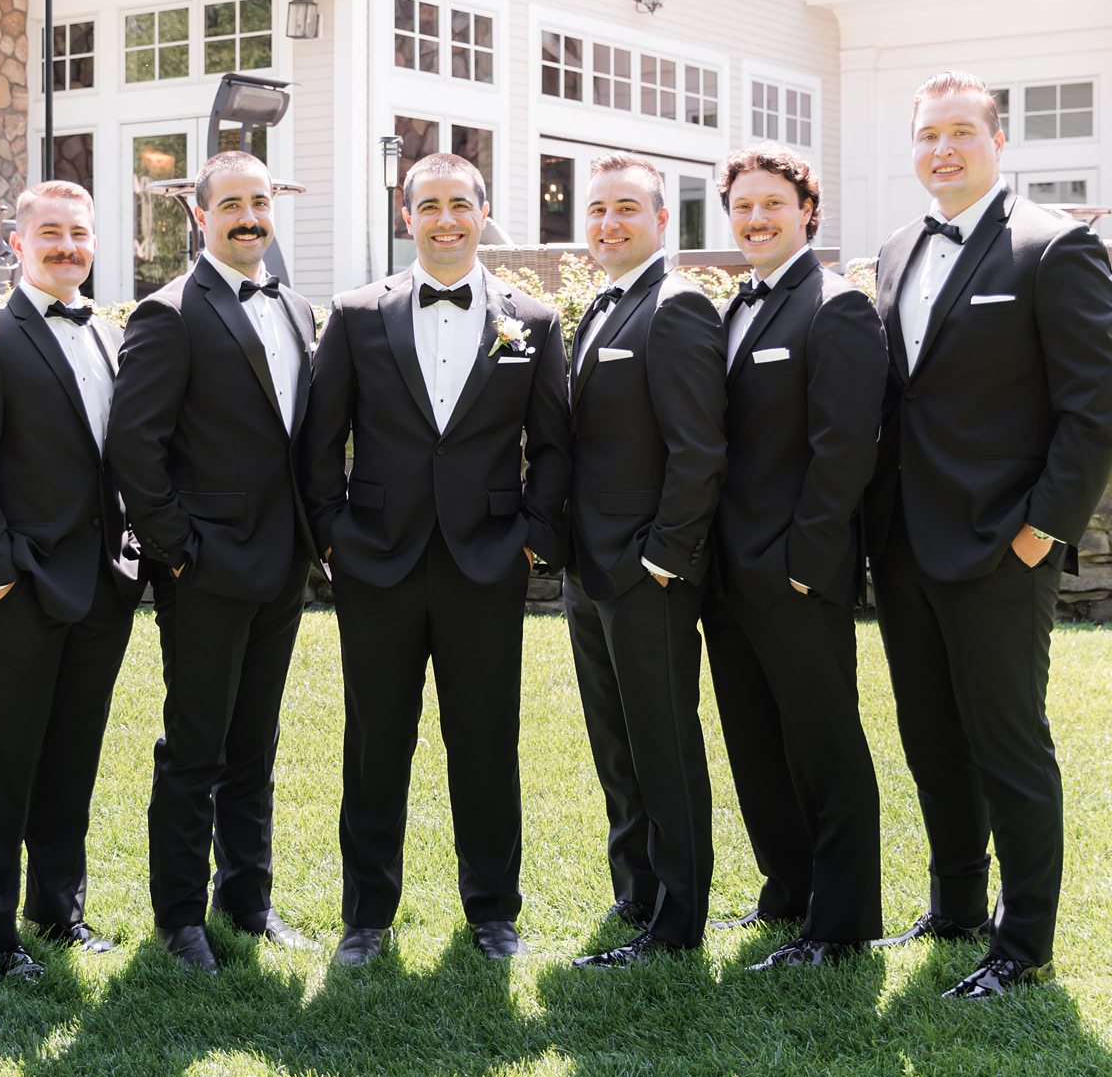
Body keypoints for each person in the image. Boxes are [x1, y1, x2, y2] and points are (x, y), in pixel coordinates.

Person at [867, 71, 1112, 999]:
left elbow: (1095, 409)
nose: (943, 150)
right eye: (927, 135)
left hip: (999, 546)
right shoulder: (895, 250)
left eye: (961, 134)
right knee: (931, 736)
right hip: (902, 546)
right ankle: (955, 908)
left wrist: (1041, 532)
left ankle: (1023, 946)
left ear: (997, 142)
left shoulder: (1055, 248)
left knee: (1008, 743)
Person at [301, 151, 571, 968]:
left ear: (483, 213)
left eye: (461, 204)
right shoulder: (355, 313)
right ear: (406, 215)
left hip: (485, 561)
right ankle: (367, 919)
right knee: (375, 741)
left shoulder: (534, 319)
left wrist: (531, 540)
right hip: (376, 560)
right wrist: (331, 539)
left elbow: (554, 448)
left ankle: (492, 913)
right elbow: (321, 439)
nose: (446, 219)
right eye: (429, 205)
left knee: (487, 741)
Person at [106, 149, 321, 973]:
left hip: (281, 568)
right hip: (206, 569)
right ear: (200, 216)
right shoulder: (170, 313)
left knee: (254, 743)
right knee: (194, 746)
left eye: (259, 200)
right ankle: (179, 916)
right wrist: (179, 554)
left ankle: (248, 898)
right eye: (229, 203)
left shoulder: (297, 309)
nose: (247, 216)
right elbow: (136, 445)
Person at [0, 180, 141, 982]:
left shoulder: (112, 337)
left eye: (79, 234)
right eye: (49, 233)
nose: (66, 247)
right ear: (17, 244)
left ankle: (58, 911)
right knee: (6, 757)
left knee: (72, 755)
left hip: (104, 585)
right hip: (20, 589)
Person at [700, 145, 887, 969]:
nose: (756, 218)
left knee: (824, 747)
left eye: (773, 203)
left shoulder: (834, 307)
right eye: (742, 205)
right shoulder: (733, 307)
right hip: (729, 576)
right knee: (755, 742)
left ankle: (841, 925)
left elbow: (844, 449)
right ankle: (788, 891)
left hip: (796, 574)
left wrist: (806, 564)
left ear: (808, 210)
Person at [561, 152, 727, 968]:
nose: (607, 224)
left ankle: (677, 917)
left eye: (626, 209)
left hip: (644, 574)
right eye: (595, 211)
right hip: (589, 575)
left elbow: (700, 449)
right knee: (615, 743)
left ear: (664, 220)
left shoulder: (678, 306)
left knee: (661, 740)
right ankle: (637, 890)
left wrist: (663, 558)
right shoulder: (602, 306)